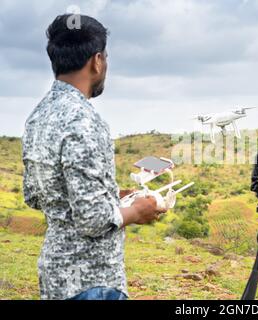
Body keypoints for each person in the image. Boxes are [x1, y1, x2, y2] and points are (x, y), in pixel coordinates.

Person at [21, 14, 164, 300]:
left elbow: (35, 195)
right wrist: (138, 211)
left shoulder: (37, 117)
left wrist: (111, 194)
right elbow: (93, 219)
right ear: (97, 61)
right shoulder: (85, 121)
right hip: (93, 281)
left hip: (55, 275)